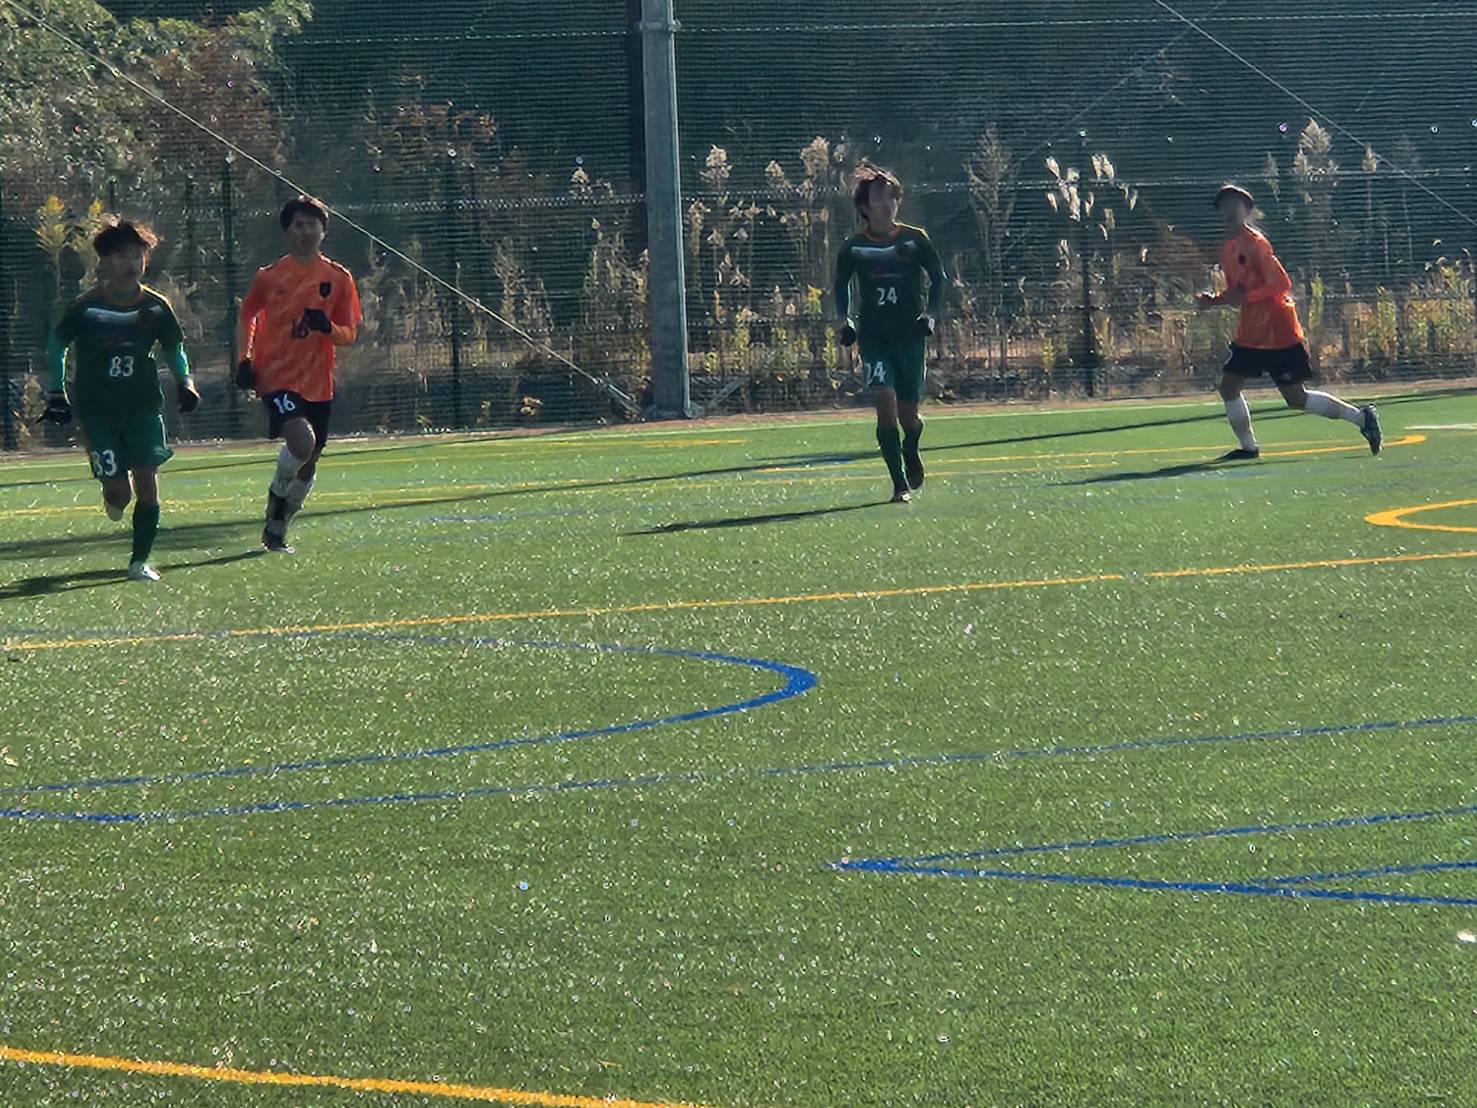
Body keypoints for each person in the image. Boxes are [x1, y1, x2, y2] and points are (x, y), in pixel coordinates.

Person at [39, 220, 200, 582]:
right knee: (119, 494)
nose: (131, 263)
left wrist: (185, 382)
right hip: (97, 411)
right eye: (122, 256)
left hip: (143, 407)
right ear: (105, 262)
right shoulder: (86, 307)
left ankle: (139, 561)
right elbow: (57, 344)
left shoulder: (156, 307)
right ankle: (111, 492)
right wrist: (56, 391)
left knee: (147, 479)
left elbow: (173, 347)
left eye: (138, 255)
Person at [1197, 184, 1381, 460]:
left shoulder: (1257, 243)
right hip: (1251, 332)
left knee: (1296, 398)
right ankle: (1248, 448)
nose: (1230, 210)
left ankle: (1362, 417)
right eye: (1224, 206)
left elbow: (1281, 284)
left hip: (1278, 330)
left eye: (1236, 205)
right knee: (1229, 386)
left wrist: (1246, 298)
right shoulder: (1228, 249)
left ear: (1247, 211)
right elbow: (1238, 294)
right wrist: (1214, 301)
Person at [235, 196, 361, 553]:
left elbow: (349, 334)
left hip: (318, 382)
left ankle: (278, 526)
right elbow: (247, 315)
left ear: (323, 230)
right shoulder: (270, 276)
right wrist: (244, 360)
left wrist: (328, 328)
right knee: (301, 443)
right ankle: (277, 494)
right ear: (287, 231)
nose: (305, 231)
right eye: (298, 225)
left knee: (309, 461)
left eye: (311, 224)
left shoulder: (338, 278)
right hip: (275, 376)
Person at [833, 163, 946, 503]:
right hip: (874, 339)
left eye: (891, 197)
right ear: (864, 208)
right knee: (884, 400)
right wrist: (845, 321)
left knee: (909, 418)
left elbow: (938, 277)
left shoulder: (914, 239)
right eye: (878, 198)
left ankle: (911, 446)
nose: (887, 204)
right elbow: (841, 286)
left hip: (909, 338)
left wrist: (930, 315)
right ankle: (899, 484)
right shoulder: (853, 247)